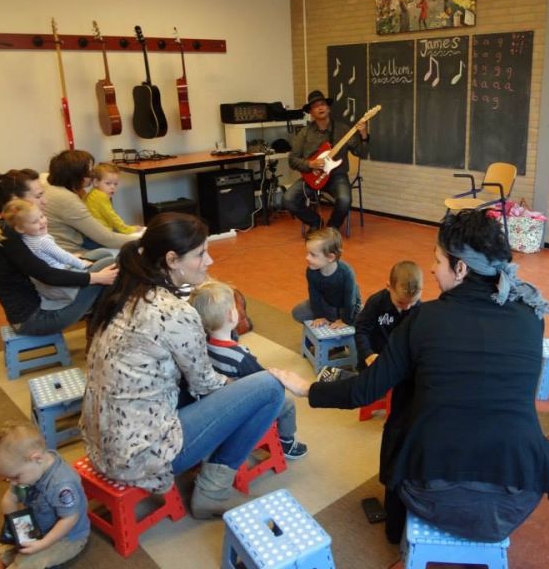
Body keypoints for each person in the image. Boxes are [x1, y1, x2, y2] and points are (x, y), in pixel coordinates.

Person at [272, 209, 549, 543]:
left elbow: (364, 390)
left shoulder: (425, 318)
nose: (434, 270)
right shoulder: (531, 313)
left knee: (405, 399)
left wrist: (309, 389)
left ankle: (395, 526)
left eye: (438, 261)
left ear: (461, 267)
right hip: (517, 495)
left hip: (434, 493)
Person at [81, 212, 284, 519]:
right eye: (201, 253)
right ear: (172, 259)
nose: (209, 261)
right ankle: (212, 492)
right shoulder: (175, 312)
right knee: (269, 388)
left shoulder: (124, 293)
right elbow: (206, 384)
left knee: (222, 387)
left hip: (102, 445)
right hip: (140, 457)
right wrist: (242, 390)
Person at [0, 169, 118, 336]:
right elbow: (47, 274)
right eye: (38, 196)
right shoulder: (7, 232)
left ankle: (101, 327)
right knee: (108, 265)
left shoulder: (6, 225)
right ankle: (105, 331)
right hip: (35, 317)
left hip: (44, 303)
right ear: (16, 201)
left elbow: (43, 262)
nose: (44, 202)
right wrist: (95, 278)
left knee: (100, 255)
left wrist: (76, 262)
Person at [188, 281, 308, 459]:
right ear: (231, 316)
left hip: (216, 402)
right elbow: (265, 382)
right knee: (287, 403)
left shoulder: (202, 346)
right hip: (240, 407)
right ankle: (287, 442)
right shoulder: (240, 357)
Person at [0, 420, 90, 568]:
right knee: (7, 552)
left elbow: (69, 519)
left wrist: (43, 544)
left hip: (68, 537)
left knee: (24, 564)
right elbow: (9, 500)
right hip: (38, 525)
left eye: (15, 477)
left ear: (37, 458)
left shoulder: (62, 485)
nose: (13, 483)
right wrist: (17, 527)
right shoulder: (30, 469)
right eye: (8, 478)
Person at [283, 90, 369, 230]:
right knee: (288, 200)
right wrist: (310, 164)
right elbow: (292, 159)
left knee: (345, 200)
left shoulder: (343, 130)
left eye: (323, 104)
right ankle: (315, 222)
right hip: (312, 176)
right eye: (316, 106)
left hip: (337, 176)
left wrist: (364, 134)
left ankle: (332, 228)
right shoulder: (304, 133)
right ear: (311, 112)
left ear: (328, 108)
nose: (320, 108)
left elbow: (362, 153)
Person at [0, 199, 91, 311]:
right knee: (104, 259)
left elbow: (50, 256)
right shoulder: (43, 241)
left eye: (42, 216)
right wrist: (82, 264)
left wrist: (72, 257)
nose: (42, 222)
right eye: (35, 222)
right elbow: (63, 256)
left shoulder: (25, 238)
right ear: (20, 228)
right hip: (63, 283)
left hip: (45, 287)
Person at [43, 150, 138, 260]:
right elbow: (106, 238)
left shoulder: (52, 184)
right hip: (73, 253)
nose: (93, 174)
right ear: (77, 175)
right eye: (90, 171)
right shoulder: (67, 200)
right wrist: (145, 240)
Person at [355, 260, 422, 371]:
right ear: (389, 287)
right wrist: (368, 354)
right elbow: (361, 330)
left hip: (399, 361)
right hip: (374, 359)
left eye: (412, 302)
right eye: (401, 302)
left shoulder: (418, 307)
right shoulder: (376, 302)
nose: (407, 307)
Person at [291, 227, 361, 328]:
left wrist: (346, 320)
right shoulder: (311, 271)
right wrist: (319, 316)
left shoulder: (346, 273)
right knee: (298, 312)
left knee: (363, 321)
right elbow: (314, 295)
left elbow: (351, 300)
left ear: (330, 257)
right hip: (328, 304)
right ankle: (331, 321)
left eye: (313, 255)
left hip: (347, 308)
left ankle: (338, 323)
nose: (307, 257)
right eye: (307, 253)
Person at [84, 162, 143, 235]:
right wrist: (128, 229)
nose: (112, 187)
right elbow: (112, 217)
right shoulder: (101, 196)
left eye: (115, 184)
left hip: (91, 233)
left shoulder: (93, 193)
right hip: (98, 235)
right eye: (108, 183)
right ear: (96, 182)